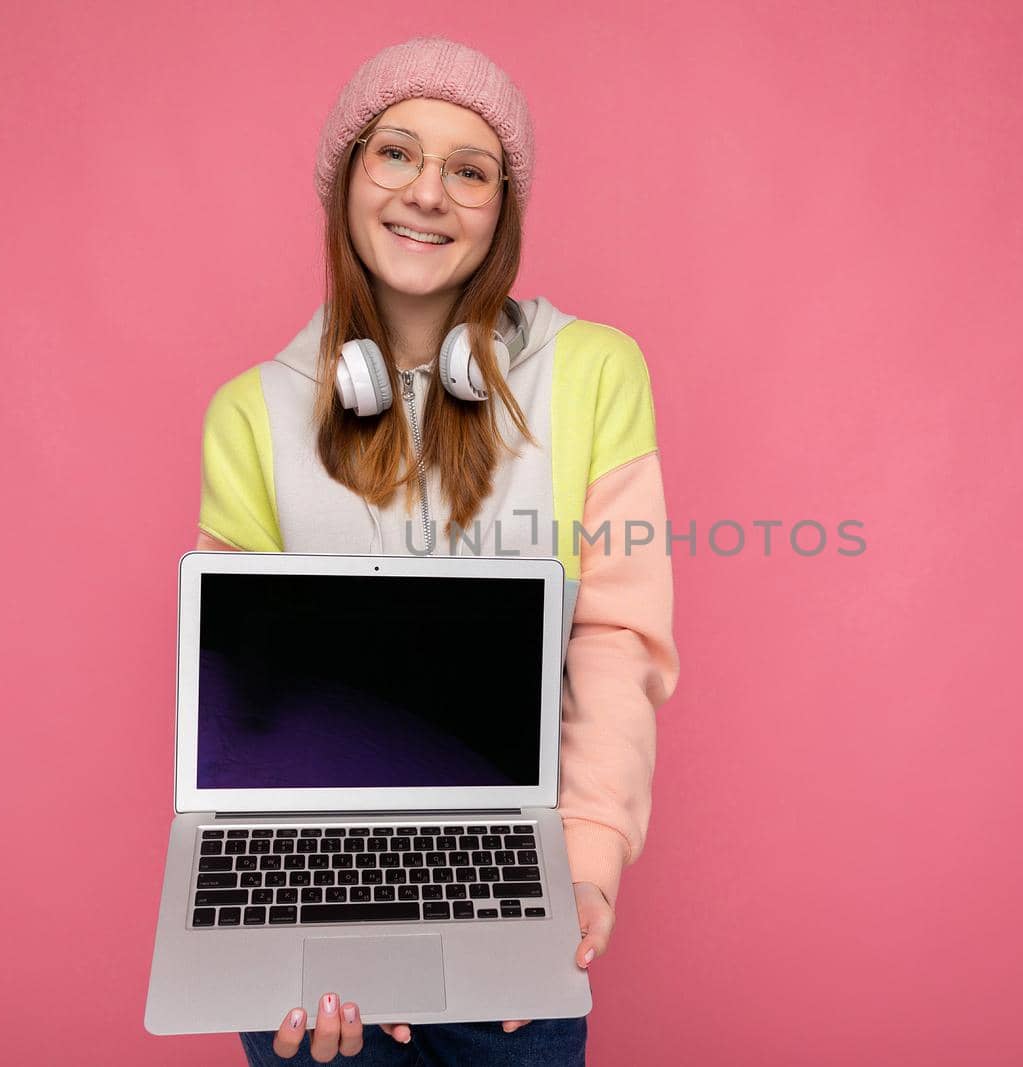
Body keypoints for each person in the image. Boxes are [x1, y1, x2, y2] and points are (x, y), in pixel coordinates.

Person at [190, 35, 679, 1065]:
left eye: (471, 169)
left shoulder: (592, 370)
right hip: (311, 900)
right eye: (396, 154)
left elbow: (617, 635)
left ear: (502, 208)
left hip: (516, 874)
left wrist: (584, 861)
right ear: (347, 178)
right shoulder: (250, 411)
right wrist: (284, 918)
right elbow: (244, 695)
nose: (429, 193)